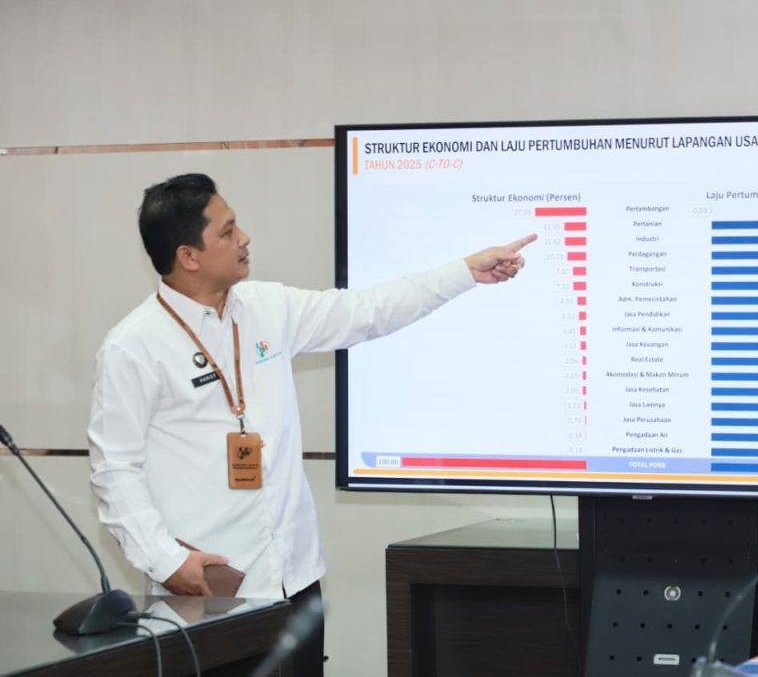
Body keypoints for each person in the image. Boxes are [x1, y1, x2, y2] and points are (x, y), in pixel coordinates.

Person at [87, 173, 535, 675]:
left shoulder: (267, 307)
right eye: (228, 231)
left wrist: (464, 271)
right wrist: (166, 561)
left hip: (294, 578)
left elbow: (368, 310)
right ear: (188, 256)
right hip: (207, 591)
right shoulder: (133, 346)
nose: (245, 238)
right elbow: (114, 471)